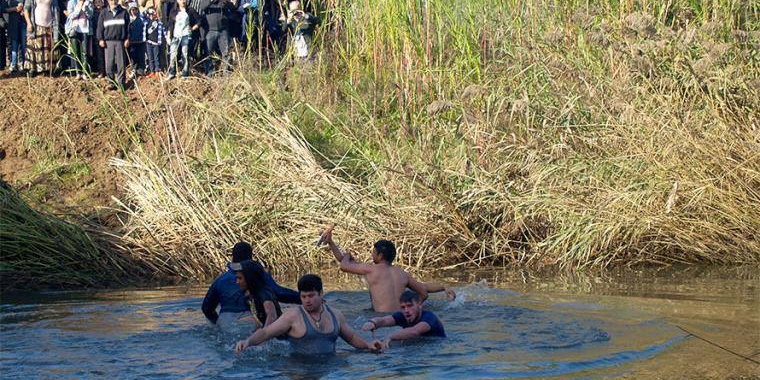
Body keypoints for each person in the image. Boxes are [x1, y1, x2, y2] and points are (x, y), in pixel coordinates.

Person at [235, 274, 382, 355]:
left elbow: (351, 337)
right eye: (303, 297)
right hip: (299, 370)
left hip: (329, 369)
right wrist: (247, 342)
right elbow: (267, 332)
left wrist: (368, 345)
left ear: (321, 294)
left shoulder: (335, 315)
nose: (307, 301)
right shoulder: (292, 316)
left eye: (311, 296)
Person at [320, 227, 456, 313]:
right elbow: (424, 291)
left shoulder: (370, 269)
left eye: (373, 252)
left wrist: (348, 256)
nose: (371, 254)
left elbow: (344, 265)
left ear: (380, 256)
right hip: (401, 316)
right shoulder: (402, 273)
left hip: (381, 319)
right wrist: (443, 287)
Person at [202, 241, 301, 326]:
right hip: (251, 321)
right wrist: (305, 298)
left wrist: (219, 325)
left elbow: (206, 308)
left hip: (224, 320)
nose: (237, 281)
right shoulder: (258, 275)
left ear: (233, 257)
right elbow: (279, 293)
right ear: (251, 256)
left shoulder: (220, 280)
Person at [362, 290, 445, 348]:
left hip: (437, 347)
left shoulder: (429, 317)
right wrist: (373, 322)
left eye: (410, 306)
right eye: (403, 307)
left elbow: (414, 331)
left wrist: (390, 337)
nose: (406, 310)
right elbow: (384, 320)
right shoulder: (403, 315)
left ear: (420, 305)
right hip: (418, 345)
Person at [231, 259, 282, 328]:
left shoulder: (264, 293)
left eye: (240, 278)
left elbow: (272, 316)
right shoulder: (251, 293)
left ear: (250, 278)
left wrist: (262, 335)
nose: (237, 282)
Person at [96, 0, 129, 88]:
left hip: (120, 41)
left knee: (121, 63)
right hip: (108, 42)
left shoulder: (124, 12)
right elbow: (100, 27)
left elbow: (128, 27)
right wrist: (100, 39)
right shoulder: (104, 13)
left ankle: (121, 82)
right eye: (111, 0)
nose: (113, 1)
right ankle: (111, 82)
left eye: (115, 0)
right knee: (109, 63)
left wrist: (127, 39)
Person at [24, 0, 60, 75]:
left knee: (47, 49)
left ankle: (47, 69)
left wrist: (56, 27)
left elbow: (56, 11)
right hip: (36, 26)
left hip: (49, 26)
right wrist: (29, 23)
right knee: (35, 48)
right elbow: (26, 9)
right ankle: (32, 69)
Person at [165, 0, 199, 79]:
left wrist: (192, 28)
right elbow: (170, 24)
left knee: (185, 54)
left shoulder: (190, 10)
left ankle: (185, 73)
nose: (183, 1)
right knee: (172, 54)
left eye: (184, 0)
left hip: (186, 36)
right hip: (175, 36)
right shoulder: (173, 11)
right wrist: (168, 36)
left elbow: (199, 21)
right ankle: (172, 72)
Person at [64, 0, 92, 79]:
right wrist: (79, 8)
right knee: (76, 52)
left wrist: (86, 9)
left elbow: (90, 15)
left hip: (85, 30)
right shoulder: (71, 2)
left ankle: (85, 72)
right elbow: (71, 16)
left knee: (85, 52)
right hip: (74, 30)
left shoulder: (88, 2)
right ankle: (78, 73)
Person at [3, 0, 27, 73]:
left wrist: (23, 11)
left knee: (24, 45)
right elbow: (3, 9)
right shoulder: (9, 1)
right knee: (14, 46)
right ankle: (13, 65)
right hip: (13, 24)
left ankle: (24, 65)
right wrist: (15, 9)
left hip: (24, 23)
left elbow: (29, 6)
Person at [126, 2, 145, 77]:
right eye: (132, 10)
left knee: (141, 56)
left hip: (140, 40)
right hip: (132, 41)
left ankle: (141, 70)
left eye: (135, 9)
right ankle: (134, 69)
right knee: (133, 57)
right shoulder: (129, 20)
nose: (134, 11)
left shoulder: (141, 18)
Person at [142, 5, 162, 77]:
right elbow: (141, 16)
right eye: (150, 13)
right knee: (150, 57)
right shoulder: (146, 21)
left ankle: (157, 70)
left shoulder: (158, 22)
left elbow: (164, 31)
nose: (152, 15)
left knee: (156, 57)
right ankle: (152, 71)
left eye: (153, 13)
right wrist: (147, 11)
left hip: (156, 42)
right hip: (148, 42)